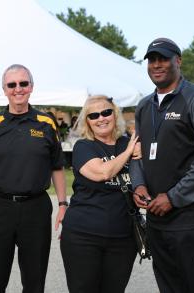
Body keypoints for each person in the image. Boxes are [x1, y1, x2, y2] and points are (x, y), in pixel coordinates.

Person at [130, 38, 194, 293]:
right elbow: (137, 153)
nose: (157, 65)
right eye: (152, 59)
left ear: (178, 61)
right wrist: (138, 184)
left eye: (163, 58)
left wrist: (174, 197)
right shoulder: (144, 106)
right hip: (157, 220)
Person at [0, 64, 67, 293]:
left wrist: (62, 204)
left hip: (36, 209)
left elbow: (57, 167)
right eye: (12, 85)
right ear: (4, 89)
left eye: (23, 83)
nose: (18, 89)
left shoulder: (47, 123)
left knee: (34, 280)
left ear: (31, 86)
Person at [60, 95, 141, 293]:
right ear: (87, 121)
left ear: (115, 114)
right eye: (93, 115)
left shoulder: (128, 143)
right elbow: (103, 172)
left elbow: (146, 178)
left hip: (123, 237)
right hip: (83, 237)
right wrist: (130, 151)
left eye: (106, 112)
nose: (101, 118)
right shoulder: (84, 147)